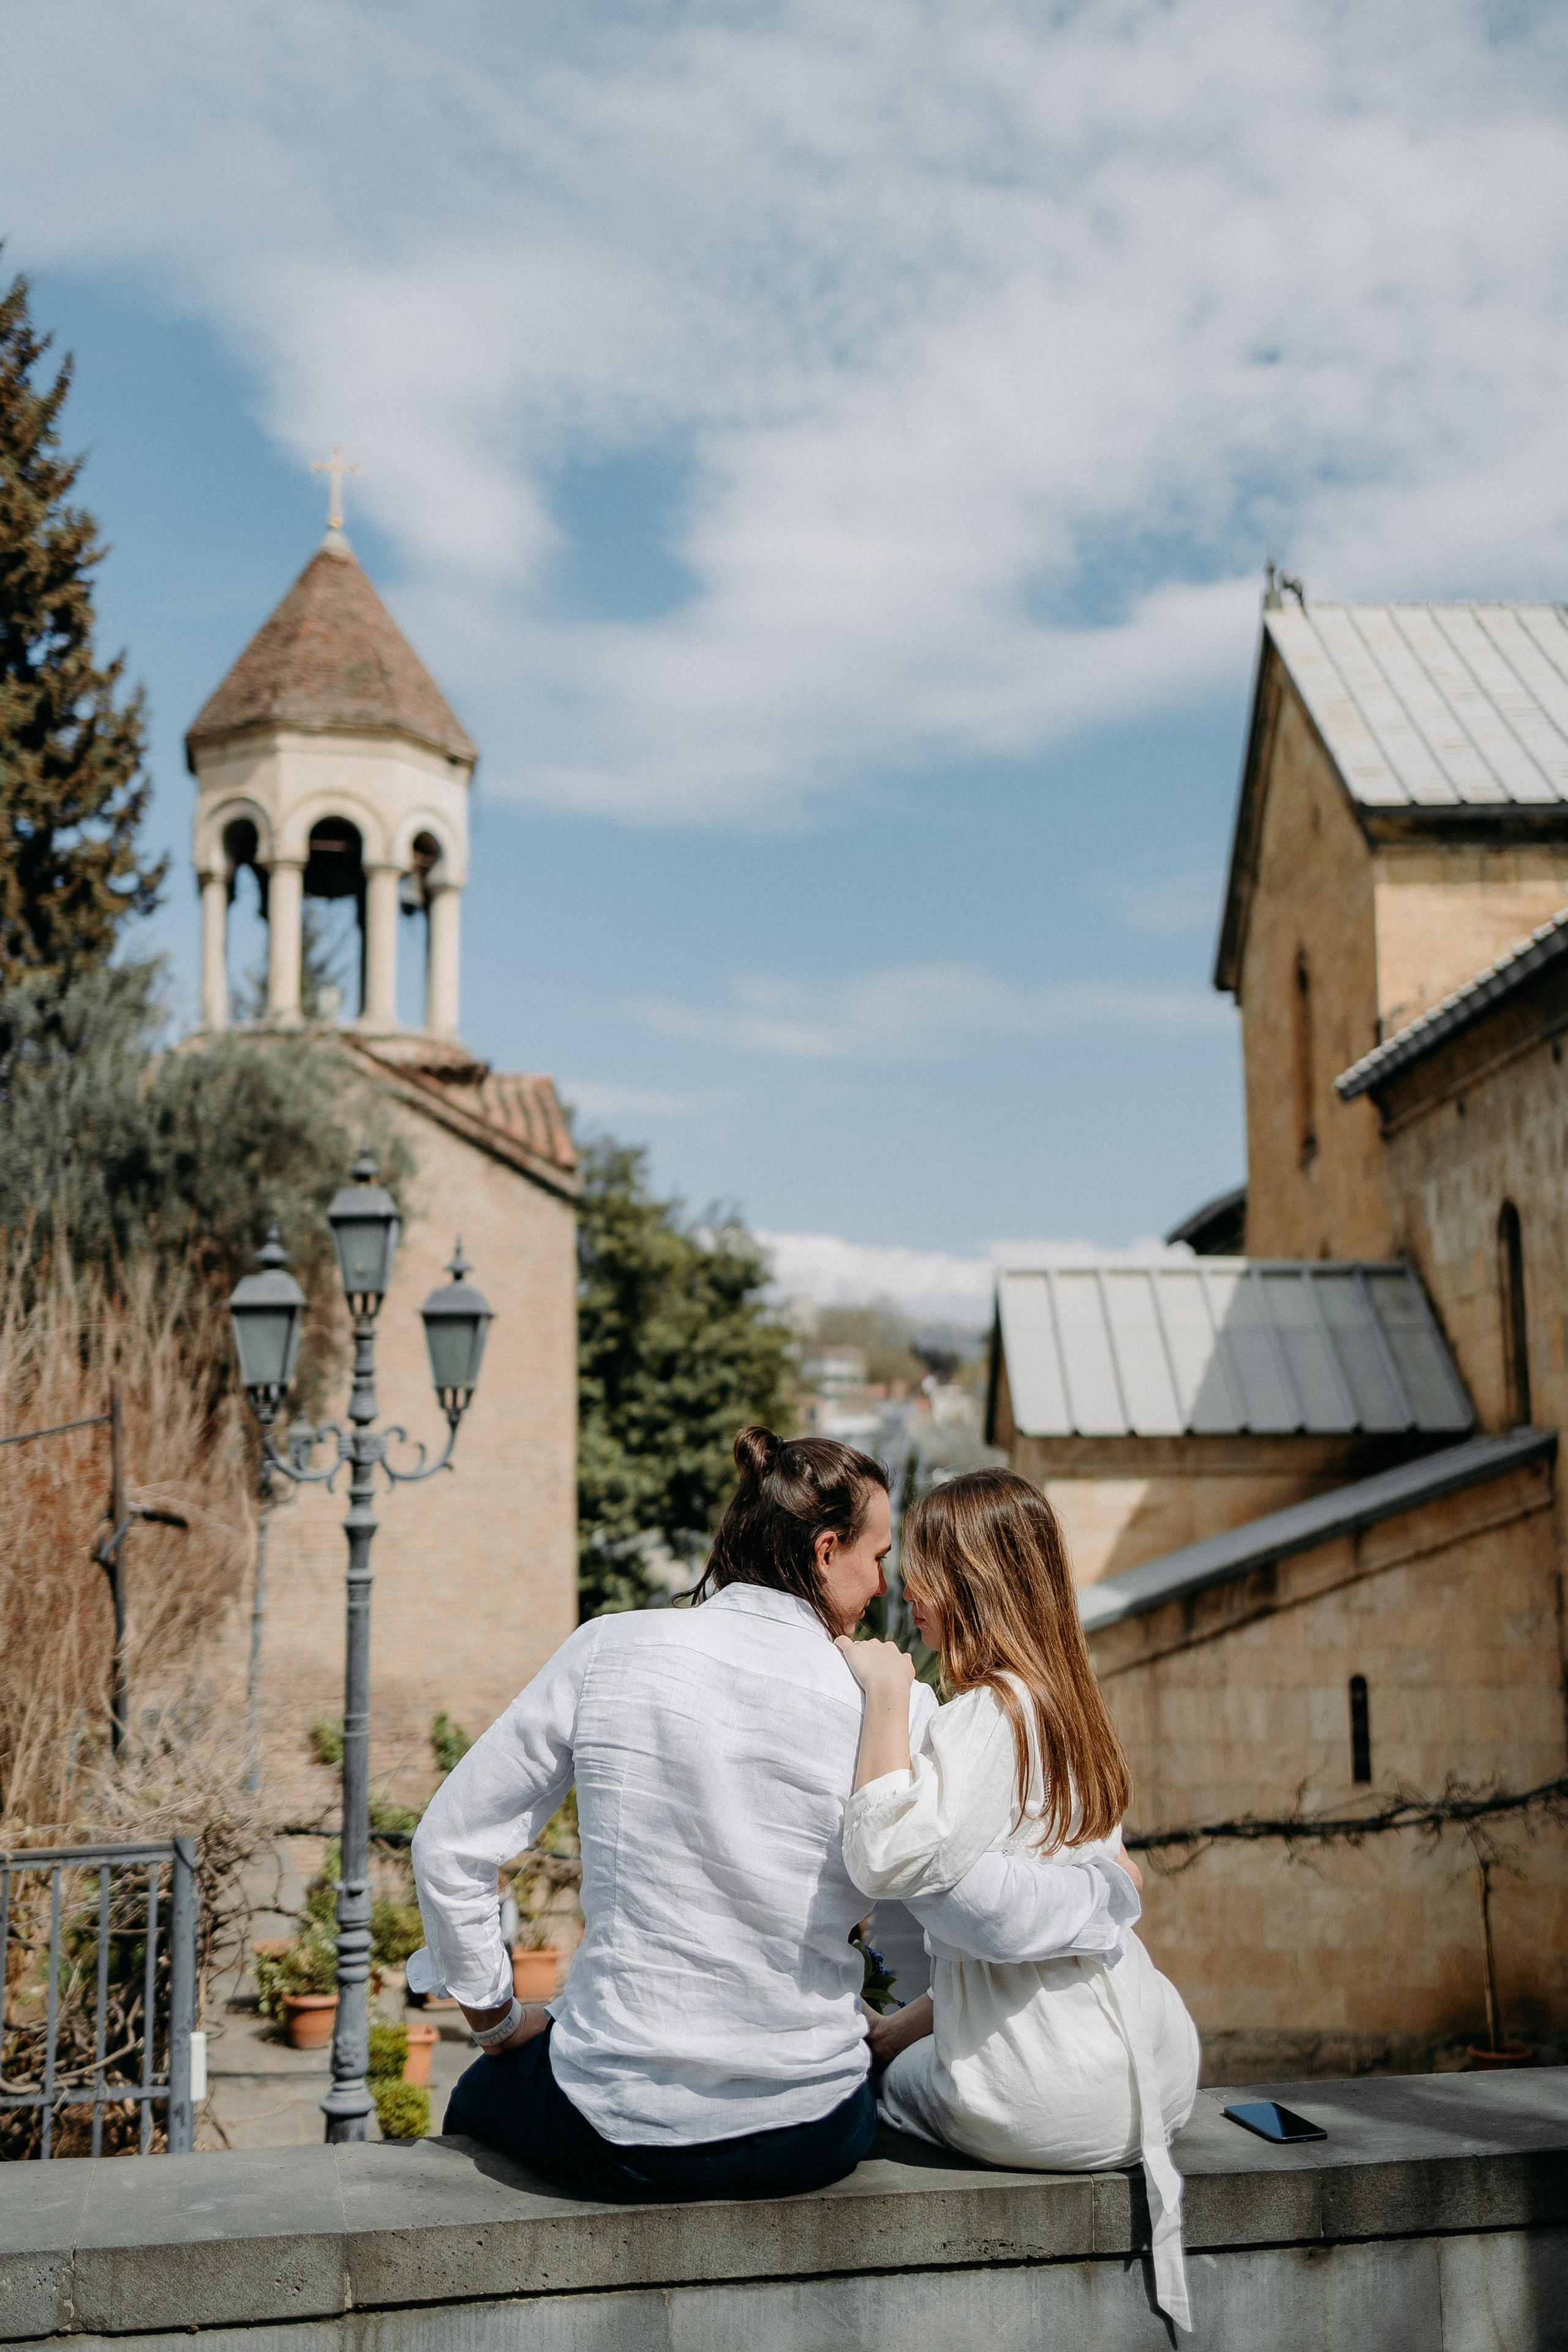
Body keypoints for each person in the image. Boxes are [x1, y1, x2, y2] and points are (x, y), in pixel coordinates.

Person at [410, 1427, 1142, 2206]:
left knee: (475, 2101)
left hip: (618, 2128)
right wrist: (1108, 1885)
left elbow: (449, 1845)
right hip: (815, 2126)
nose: (886, 1587)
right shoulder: (895, 1709)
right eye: (880, 1558)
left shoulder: (606, 1651)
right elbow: (997, 1884)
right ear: (826, 1552)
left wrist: (494, 2020)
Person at [837, 1469, 1199, 2333]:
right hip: (1156, 2069)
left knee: (840, 2100)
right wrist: (902, 2026)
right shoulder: (1071, 1713)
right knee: (896, 2051)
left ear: (969, 1586)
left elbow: (893, 1856)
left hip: (1045, 2096)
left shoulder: (986, 1718)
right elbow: (1011, 1942)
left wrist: (887, 1697)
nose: (905, 1595)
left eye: (921, 1570)